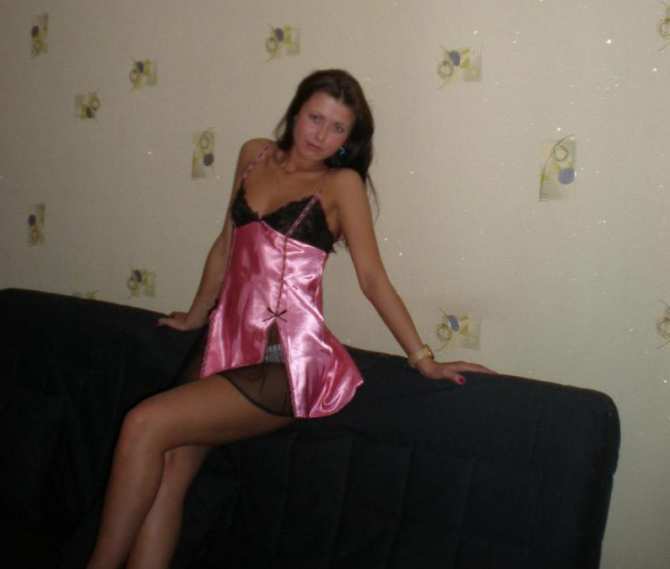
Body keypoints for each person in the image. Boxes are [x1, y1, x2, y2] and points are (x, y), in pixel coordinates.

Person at [85, 68, 494, 569]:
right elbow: (226, 245)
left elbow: (372, 278)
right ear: (296, 112)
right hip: (225, 344)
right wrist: (195, 316)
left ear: (349, 139)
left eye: (337, 128)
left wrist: (423, 359)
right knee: (168, 473)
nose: (321, 135)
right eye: (315, 118)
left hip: (287, 362)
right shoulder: (254, 155)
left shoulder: (341, 184)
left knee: (143, 423)